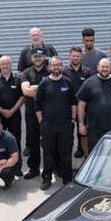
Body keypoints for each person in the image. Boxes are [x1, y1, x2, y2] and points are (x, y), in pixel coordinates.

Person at [35, 56, 77, 190]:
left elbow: (73, 102)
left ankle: (67, 178)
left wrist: (73, 119)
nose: (56, 67)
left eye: (58, 65)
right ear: (49, 67)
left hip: (65, 124)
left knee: (65, 153)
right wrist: (41, 120)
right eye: (54, 65)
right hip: (48, 125)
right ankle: (47, 178)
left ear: (62, 66)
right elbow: (37, 103)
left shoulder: (68, 82)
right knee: (48, 153)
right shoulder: (44, 83)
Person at [77, 58, 111, 153]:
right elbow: (81, 104)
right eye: (102, 67)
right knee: (94, 154)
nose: (105, 69)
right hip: (94, 129)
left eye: (107, 67)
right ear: (97, 67)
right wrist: (81, 124)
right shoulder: (88, 83)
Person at [21, 48, 50, 179]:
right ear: (31, 58)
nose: (38, 58)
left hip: (48, 112)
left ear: (44, 57)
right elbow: (26, 91)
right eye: (35, 56)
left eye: (40, 56)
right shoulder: (27, 72)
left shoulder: (50, 71)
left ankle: (50, 168)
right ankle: (34, 168)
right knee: (33, 140)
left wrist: (35, 87)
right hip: (31, 112)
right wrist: (43, 89)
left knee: (49, 140)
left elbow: (52, 90)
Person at [63, 46, 92, 158]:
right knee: (69, 130)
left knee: (83, 129)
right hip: (68, 105)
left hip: (83, 106)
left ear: (81, 57)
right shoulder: (64, 71)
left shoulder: (87, 72)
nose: (76, 58)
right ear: (69, 56)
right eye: (74, 56)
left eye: (78, 56)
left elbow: (90, 89)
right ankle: (67, 150)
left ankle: (81, 149)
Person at [0, 55, 24, 157]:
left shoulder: (18, 79)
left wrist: (12, 110)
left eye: (7, 64)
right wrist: (2, 111)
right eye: (3, 64)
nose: (5, 66)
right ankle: (2, 162)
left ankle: (17, 164)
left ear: (11, 64)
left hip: (14, 114)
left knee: (15, 138)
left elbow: (22, 97)